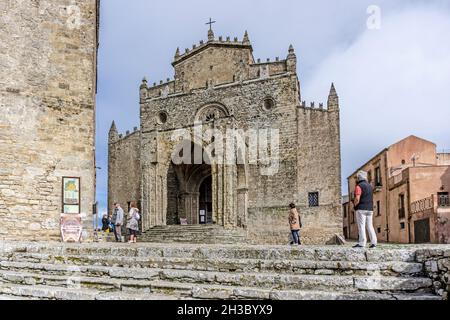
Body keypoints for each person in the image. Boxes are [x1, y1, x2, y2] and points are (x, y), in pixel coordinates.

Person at [353, 171, 377, 249]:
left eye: (357, 178)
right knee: (370, 225)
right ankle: (373, 242)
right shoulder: (370, 186)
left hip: (361, 209)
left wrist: (355, 205)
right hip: (370, 209)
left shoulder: (359, 186)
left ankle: (362, 243)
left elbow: (357, 198)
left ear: (359, 178)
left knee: (361, 226)